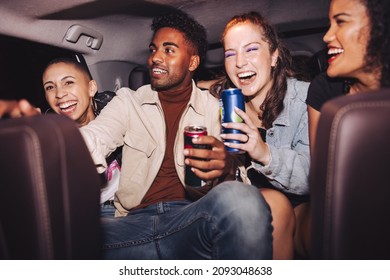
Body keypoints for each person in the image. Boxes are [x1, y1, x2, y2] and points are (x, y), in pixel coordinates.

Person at [80, 10, 273, 259]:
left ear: (192, 62)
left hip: (191, 221)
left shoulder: (215, 109)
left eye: (169, 50)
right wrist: (54, 144)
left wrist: (226, 168)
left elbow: (235, 192)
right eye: (153, 50)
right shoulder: (128, 102)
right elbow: (95, 136)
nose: (155, 58)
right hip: (129, 227)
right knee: (61, 231)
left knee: (243, 199)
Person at [209, 11, 310, 259]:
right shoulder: (218, 103)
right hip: (245, 204)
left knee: (279, 206)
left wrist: (264, 153)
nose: (240, 62)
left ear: (274, 56)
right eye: (230, 54)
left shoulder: (304, 99)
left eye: (251, 49)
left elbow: (312, 177)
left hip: (299, 204)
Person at [305, 0, 390, 256]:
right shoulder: (325, 91)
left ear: (381, 27)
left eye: (340, 21)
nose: (327, 35)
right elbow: (326, 186)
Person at [42, 57, 122, 216]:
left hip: (128, 206)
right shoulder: (47, 135)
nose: (59, 94)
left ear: (91, 88)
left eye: (68, 82)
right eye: (50, 87)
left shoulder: (117, 110)